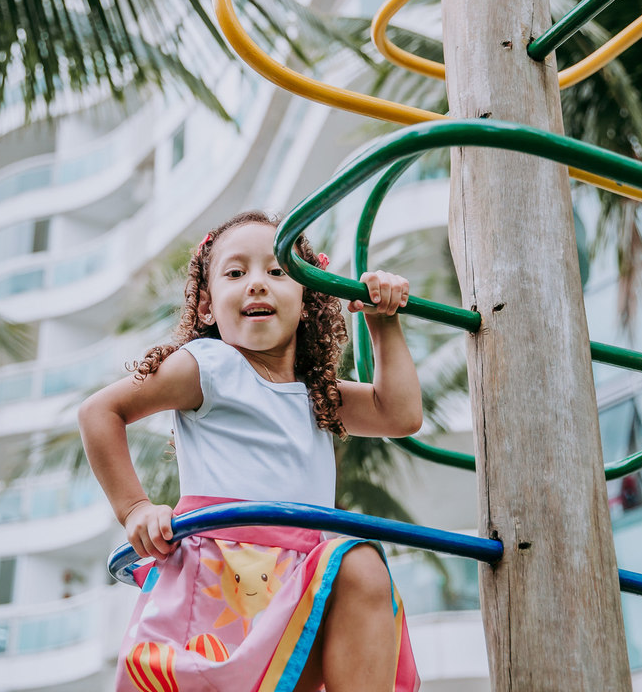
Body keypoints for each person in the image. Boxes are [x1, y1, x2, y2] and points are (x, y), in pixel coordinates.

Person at [79, 210, 423, 692]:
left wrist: (384, 322)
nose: (257, 284)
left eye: (278, 272)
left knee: (361, 564)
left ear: (306, 300)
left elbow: (398, 413)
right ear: (206, 306)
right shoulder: (210, 365)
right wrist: (134, 507)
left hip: (300, 575)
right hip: (225, 572)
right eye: (236, 273)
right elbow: (99, 412)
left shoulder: (316, 393)